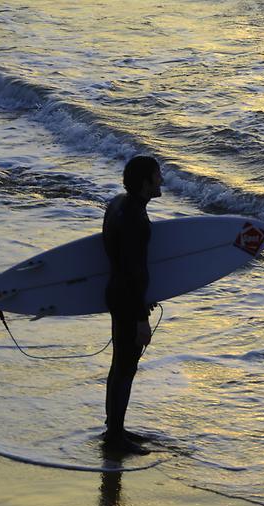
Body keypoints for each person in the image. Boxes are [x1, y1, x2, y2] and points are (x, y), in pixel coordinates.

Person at [102, 155, 162, 454]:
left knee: (119, 366)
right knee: (126, 368)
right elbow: (132, 270)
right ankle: (115, 438)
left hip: (116, 293)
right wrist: (141, 317)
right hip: (127, 299)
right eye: (157, 175)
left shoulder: (117, 205)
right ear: (146, 180)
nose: (161, 180)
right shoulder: (136, 220)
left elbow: (118, 260)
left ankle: (114, 429)